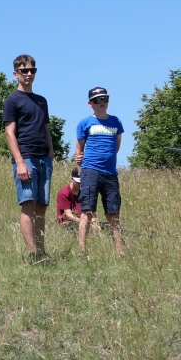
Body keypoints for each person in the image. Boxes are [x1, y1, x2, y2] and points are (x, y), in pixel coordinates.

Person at [3, 54, 55, 262]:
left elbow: (46, 128)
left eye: (32, 70)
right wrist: (20, 162)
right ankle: (32, 253)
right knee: (28, 203)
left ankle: (42, 251)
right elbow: (9, 133)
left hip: (44, 158)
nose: (28, 74)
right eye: (24, 70)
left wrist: (51, 152)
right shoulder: (12, 100)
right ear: (16, 74)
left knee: (41, 205)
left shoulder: (42, 101)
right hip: (26, 158)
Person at [75, 87, 125, 256]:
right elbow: (79, 150)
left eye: (104, 98)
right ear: (90, 104)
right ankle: (82, 250)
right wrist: (82, 173)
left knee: (113, 212)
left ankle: (119, 251)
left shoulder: (116, 122)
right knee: (87, 211)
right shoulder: (85, 123)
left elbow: (116, 147)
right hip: (90, 171)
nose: (102, 102)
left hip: (110, 172)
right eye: (97, 99)